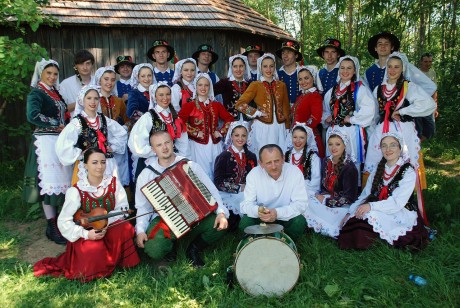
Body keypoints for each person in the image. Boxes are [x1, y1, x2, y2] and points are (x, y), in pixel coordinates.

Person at [34, 148, 140, 282]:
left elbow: (122, 208)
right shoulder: (77, 190)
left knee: (125, 228)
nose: (100, 166)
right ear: (85, 165)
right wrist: (86, 234)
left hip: (109, 226)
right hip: (86, 231)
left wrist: (106, 223)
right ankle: (98, 267)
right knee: (93, 249)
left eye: (102, 162)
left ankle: (121, 262)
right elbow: (63, 221)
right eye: (94, 162)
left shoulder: (113, 183)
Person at [135, 131, 229, 267]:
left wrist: (221, 213)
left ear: (173, 143)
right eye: (159, 145)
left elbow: (212, 191)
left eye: (167, 142)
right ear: (153, 149)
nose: (165, 147)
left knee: (221, 224)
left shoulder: (189, 165)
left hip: (196, 214)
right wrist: (140, 230)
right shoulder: (147, 174)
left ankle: (193, 249)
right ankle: (170, 247)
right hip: (165, 219)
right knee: (154, 249)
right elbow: (142, 207)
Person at [364, 53, 436, 219]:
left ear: (403, 68)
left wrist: (403, 111)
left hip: (403, 132)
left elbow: (428, 104)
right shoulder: (378, 89)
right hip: (382, 130)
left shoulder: (408, 87)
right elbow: (375, 114)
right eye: (390, 66)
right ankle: (380, 199)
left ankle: (404, 202)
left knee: (403, 163)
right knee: (378, 162)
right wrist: (374, 132)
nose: (392, 70)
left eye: (397, 67)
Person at [338, 133, 429, 250]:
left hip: (400, 210)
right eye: (384, 146)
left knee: (370, 215)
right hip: (377, 206)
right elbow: (365, 195)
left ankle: (371, 242)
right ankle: (362, 241)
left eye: (393, 145)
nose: (388, 149)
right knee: (358, 216)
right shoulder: (378, 168)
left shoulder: (408, 171)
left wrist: (370, 206)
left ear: (400, 148)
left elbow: (397, 203)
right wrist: (350, 212)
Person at [23, 58, 73, 245]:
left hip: (58, 141)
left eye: (55, 74)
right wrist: (55, 124)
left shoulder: (55, 93)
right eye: (48, 73)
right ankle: (51, 226)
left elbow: (64, 114)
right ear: (41, 74)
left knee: (61, 182)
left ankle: (59, 221)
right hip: (44, 142)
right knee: (50, 183)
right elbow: (33, 115)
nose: (52, 77)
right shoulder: (36, 93)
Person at [56, 85, 128, 184]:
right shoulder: (77, 123)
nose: (93, 102)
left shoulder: (104, 119)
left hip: (107, 164)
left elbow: (121, 133)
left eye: (96, 98)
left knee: (109, 193)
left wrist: (113, 147)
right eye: (89, 98)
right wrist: (80, 154)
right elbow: (63, 144)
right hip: (88, 166)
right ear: (82, 100)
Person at [239, 144, 308, 241]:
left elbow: (301, 204)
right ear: (261, 164)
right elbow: (245, 205)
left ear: (283, 158)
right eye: (268, 163)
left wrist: (277, 213)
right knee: (245, 222)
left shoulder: (294, 172)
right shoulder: (254, 174)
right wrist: (259, 211)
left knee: (299, 221)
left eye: (277, 161)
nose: (274, 166)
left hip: (284, 217)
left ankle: (287, 243)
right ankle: (257, 243)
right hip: (262, 217)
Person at [322, 55, 376, 179]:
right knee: (333, 159)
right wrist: (326, 117)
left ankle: (350, 189)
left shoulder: (359, 89)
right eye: (342, 68)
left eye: (349, 68)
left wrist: (352, 119)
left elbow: (369, 109)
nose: (345, 71)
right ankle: (332, 185)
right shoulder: (332, 91)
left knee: (349, 160)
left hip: (350, 133)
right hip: (334, 132)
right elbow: (325, 109)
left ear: (354, 71)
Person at [178, 73, 234, 179]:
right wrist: (194, 132)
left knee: (216, 171)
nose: (203, 88)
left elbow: (229, 119)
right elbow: (180, 122)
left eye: (206, 85)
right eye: (200, 85)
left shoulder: (216, 105)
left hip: (215, 145)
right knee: (201, 174)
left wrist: (221, 132)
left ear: (210, 87)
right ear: (196, 86)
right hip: (197, 145)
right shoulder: (189, 105)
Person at [128, 82, 189, 179]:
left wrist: (180, 158)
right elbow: (136, 144)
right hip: (152, 163)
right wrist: (157, 151)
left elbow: (183, 142)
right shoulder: (148, 117)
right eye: (161, 95)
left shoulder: (175, 117)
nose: (165, 98)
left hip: (172, 162)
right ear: (155, 97)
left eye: (168, 94)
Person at [304, 130, 358, 238]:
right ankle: (314, 224)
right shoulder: (326, 161)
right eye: (330, 144)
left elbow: (349, 198)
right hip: (326, 197)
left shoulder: (349, 167)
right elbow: (324, 187)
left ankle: (325, 226)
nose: (334, 147)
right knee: (306, 200)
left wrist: (326, 201)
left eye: (337, 144)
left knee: (330, 213)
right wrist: (321, 196)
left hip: (341, 205)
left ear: (344, 145)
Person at [235, 53, 290, 157]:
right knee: (264, 155)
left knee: (279, 155)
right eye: (265, 66)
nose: (268, 69)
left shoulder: (281, 85)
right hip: (263, 127)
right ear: (260, 67)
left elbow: (286, 108)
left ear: (274, 67)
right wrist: (256, 113)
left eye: (271, 66)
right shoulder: (256, 85)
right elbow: (239, 104)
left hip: (280, 127)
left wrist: (287, 127)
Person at [214, 121, 257, 228]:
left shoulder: (251, 156)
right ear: (231, 136)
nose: (240, 138)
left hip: (247, 193)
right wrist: (237, 188)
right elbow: (218, 182)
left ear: (247, 137)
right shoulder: (223, 156)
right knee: (232, 223)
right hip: (228, 194)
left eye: (243, 135)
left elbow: (256, 177)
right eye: (237, 135)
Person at [93, 66, 131, 187]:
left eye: (113, 80)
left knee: (119, 173)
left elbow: (129, 120)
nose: (109, 83)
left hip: (117, 144)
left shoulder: (118, 101)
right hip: (100, 142)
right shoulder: (94, 99)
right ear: (99, 80)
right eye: (106, 79)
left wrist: (124, 128)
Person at [291, 65, 325, 157]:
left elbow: (315, 118)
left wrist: (303, 129)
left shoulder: (315, 95)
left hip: (309, 136)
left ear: (313, 78)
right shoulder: (301, 96)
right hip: (298, 136)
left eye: (306, 78)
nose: (303, 82)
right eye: (300, 79)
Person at [285, 123, 321, 197]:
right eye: (295, 137)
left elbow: (315, 183)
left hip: (306, 193)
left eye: (301, 137)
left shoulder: (313, 158)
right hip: (287, 192)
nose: (298, 140)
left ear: (307, 138)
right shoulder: (286, 155)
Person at [213, 54, 252, 120]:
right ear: (231, 68)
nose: (238, 69)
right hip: (231, 122)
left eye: (241, 66)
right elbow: (209, 92)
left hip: (248, 122)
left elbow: (255, 103)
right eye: (235, 66)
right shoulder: (224, 83)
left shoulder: (250, 84)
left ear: (245, 67)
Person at [60, 49, 95, 114]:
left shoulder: (98, 82)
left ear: (92, 65)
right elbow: (62, 109)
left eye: (88, 63)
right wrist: (80, 102)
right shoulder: (65, 84)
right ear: (76, 66)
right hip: (75, 123)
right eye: (81, 64)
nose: (85, 67)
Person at [276, 40, 303, 105]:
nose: (285, 56)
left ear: (296, 55)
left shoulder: (304, 73)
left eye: (289, 52)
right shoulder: (276, 74)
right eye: (283, 53)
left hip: (300, 111)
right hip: (282, 112)